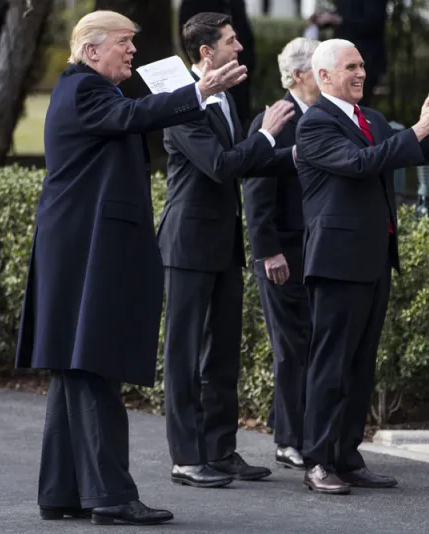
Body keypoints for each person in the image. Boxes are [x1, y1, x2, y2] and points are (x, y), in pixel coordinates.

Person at [14, 10, 247, 525]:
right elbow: (135, 116)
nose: (133, 50)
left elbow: (132, 114)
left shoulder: (88, 90)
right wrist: (198, 91)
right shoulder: (84, 89)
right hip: (85, 253)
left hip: (78, 251)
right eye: (123, 42)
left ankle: (63, 492)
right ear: (91, 50)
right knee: (94, 364)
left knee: (76, 370)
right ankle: (111, 495)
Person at [295, 38, 429, 494]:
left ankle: (347, 457)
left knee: (360, 365)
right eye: (350, 67)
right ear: (324, 76)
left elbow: (402, 153)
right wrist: (419, 127)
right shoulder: (314, 123)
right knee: (330, 365)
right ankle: (318, 461)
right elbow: (360, 163)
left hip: (374, 258)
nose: (361, 73)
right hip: (336, 262)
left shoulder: (372, 119)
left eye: (362, 65)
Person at [157, 12, 296, 489]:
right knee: (183, 354)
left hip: (224, 244)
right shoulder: (180, 103)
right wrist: (267, 134)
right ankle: (185, 458)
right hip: (187, 244)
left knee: (222, 352)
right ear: (206, 52)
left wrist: (292, 155)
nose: (239, 47)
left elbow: (243, 163)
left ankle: (219, 450)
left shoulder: (226, 98)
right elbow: (220, 165)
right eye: (231, 41)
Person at [242, 36, 321, 471]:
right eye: (320, 67)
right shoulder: (274, 119)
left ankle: (291, 425)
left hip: (316, 251)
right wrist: (268, 251)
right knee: (291, 346)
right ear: (298, 75)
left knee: (309, 342)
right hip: (282, 255)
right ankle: (289, 440)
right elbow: (256, 193)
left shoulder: (323, 117)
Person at [308, 0, 389, 107]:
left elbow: (373, 22)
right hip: (340, 59)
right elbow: (341, 17)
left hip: (366, 59)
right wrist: (323, 20)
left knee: (358, 102)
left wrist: (339, 20)